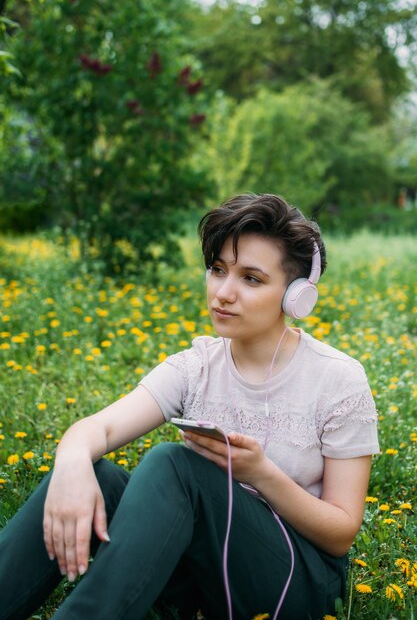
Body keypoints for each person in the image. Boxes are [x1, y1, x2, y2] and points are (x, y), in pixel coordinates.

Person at [0, 193, 379, 620]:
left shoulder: (338, 379)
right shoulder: (196, 365)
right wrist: (71, 465)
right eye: (218, 270)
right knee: (98, 475)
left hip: (294, 583)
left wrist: (260, 474)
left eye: (251, 279)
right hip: (204, 574)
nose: (224, 292)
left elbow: (341, 534)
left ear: (296, 298)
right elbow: (99, 430)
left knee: (175, 465)